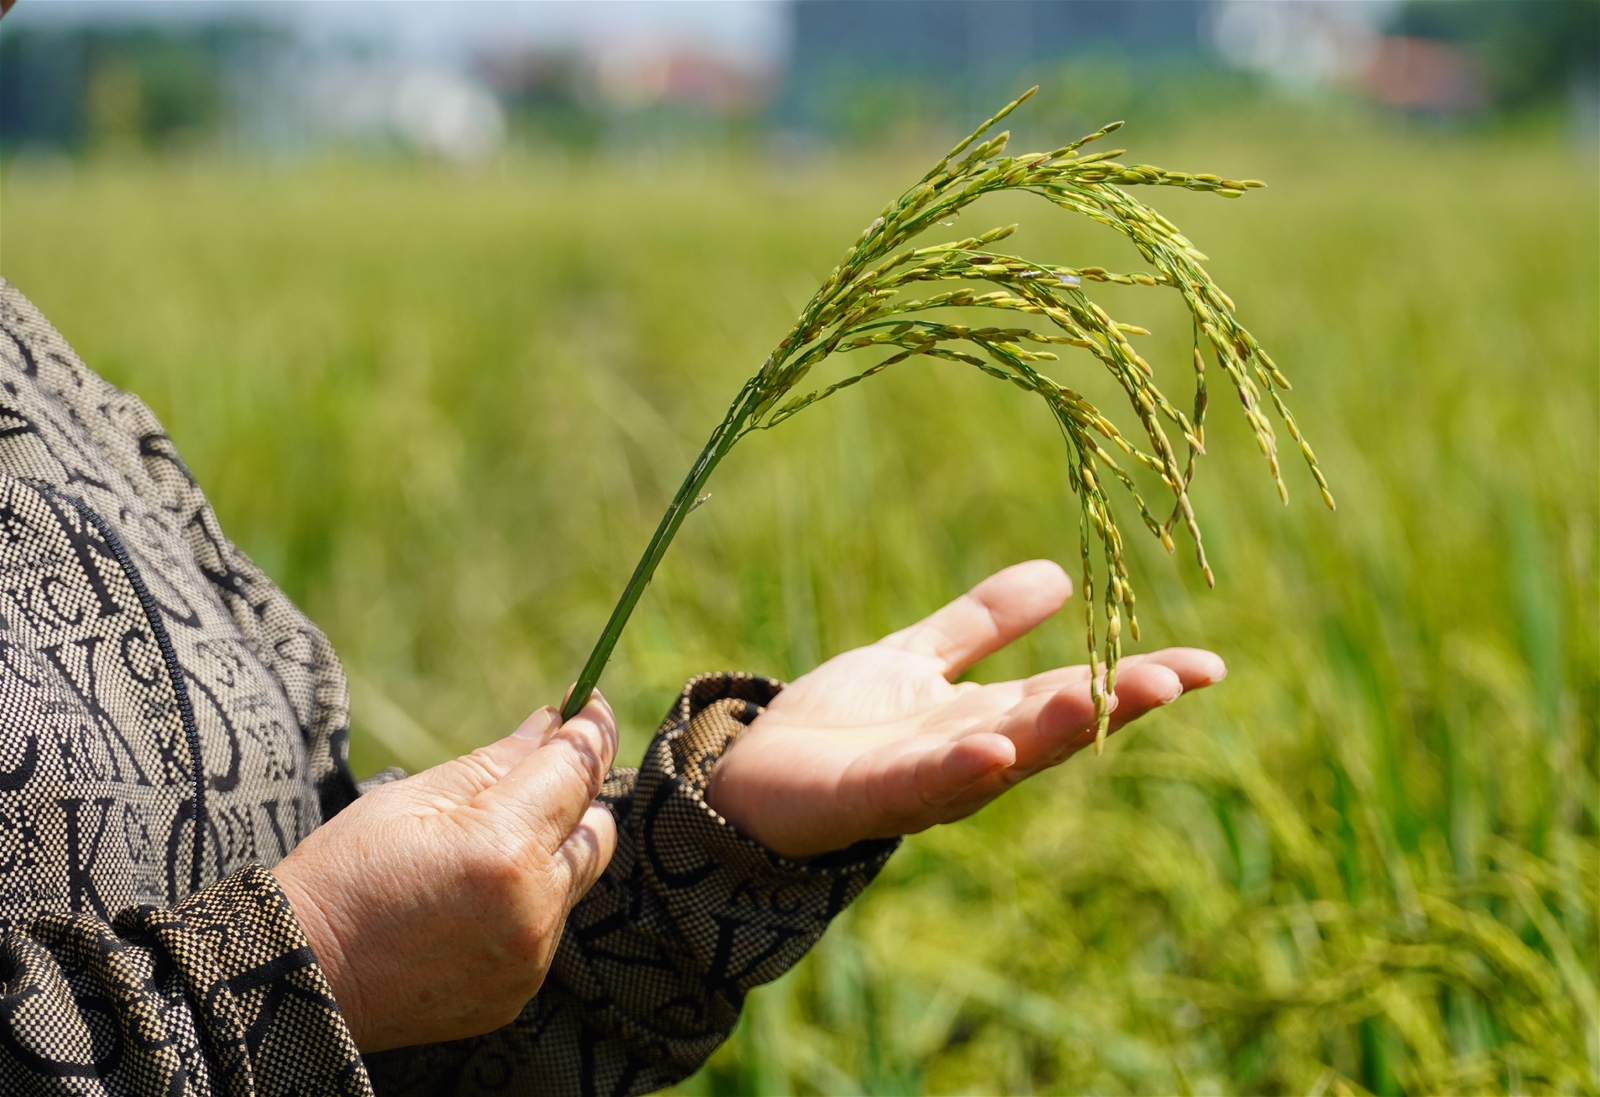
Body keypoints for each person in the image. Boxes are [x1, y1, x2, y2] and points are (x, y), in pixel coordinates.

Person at [0, 59, 1222, 1097]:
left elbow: (377, 1027)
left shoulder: (56, 389)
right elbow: (319, 971)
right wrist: (315, 958)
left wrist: (703, 844)